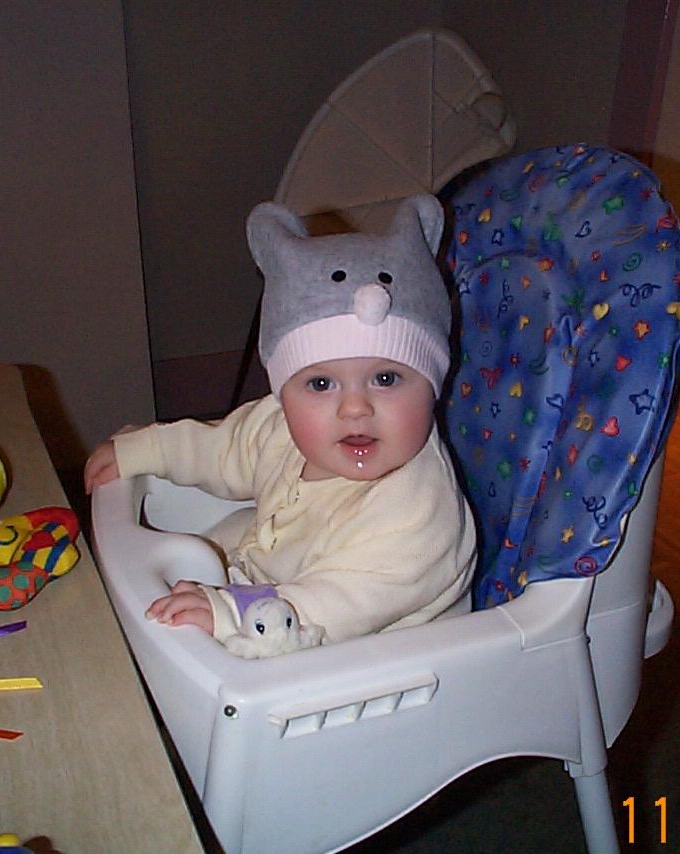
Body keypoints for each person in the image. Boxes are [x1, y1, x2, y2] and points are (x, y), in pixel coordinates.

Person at [84, 195, 476, 646]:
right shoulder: (280, 426)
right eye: (320, 384)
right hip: (274, 580)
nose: (354, 408)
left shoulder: (418, 516)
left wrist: (232, 612)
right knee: (191, 558)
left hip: (364, 653)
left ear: (433, 385)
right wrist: (143, 449)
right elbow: (220, 447)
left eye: (386, 378)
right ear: (283, 391)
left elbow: (334, 605)